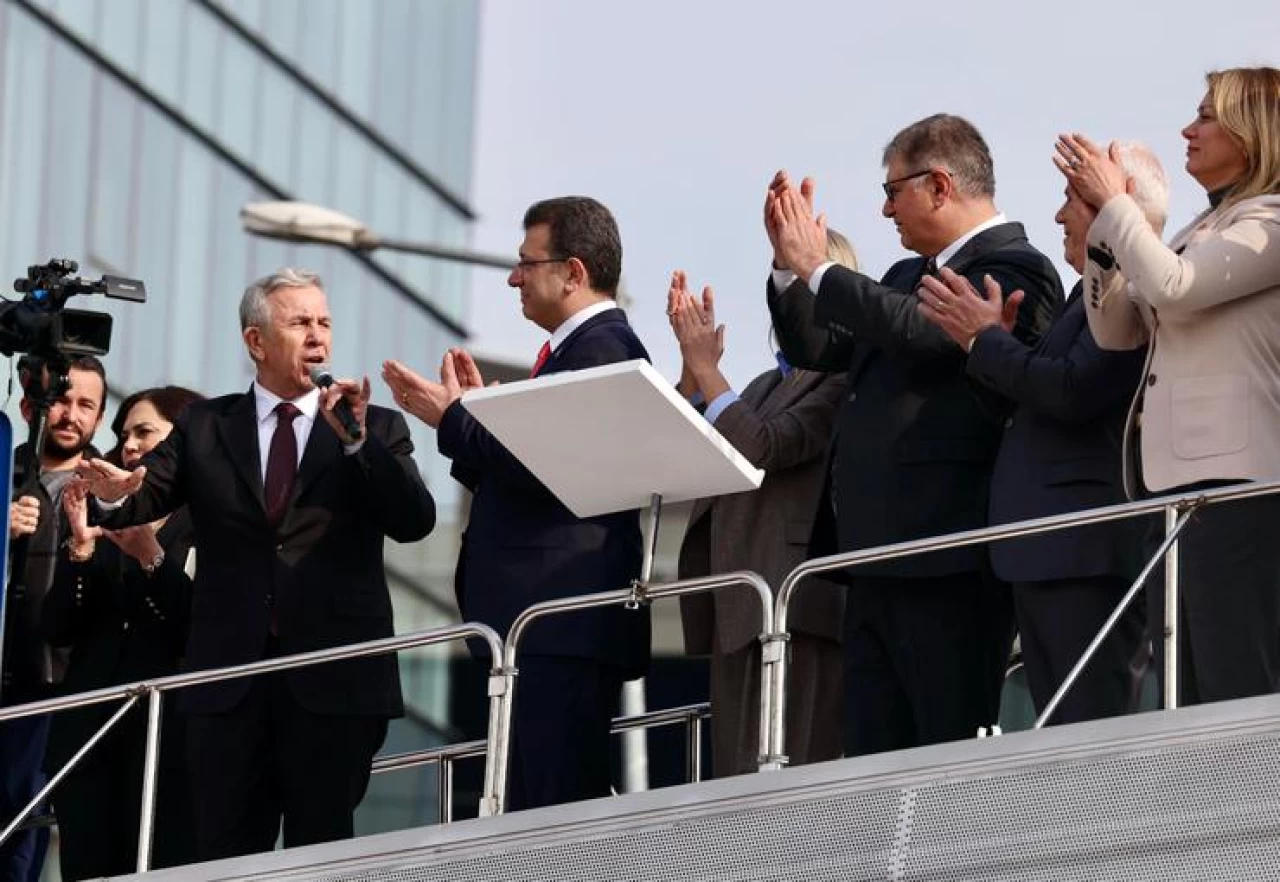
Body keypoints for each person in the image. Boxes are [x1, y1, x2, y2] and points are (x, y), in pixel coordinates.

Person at [73, 269, 436, 860]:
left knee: (322, 855)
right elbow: (144, 495)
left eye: (324, 323)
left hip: (334, 682)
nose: (317, 336)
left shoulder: (375, 427)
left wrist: (356, 442)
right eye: (300, 323)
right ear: (256, 341)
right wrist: (112, 494)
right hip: (229, 686)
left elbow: (414, 519)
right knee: (226, 854)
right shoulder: (206, 426)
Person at [766, 114, 1062, 756]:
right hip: (874, 557)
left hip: (949, 555)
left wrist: (820, 269)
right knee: (873, 756)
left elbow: (927, 332)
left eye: (893, 191)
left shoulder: (1021, 267)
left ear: (939, 186)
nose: (885, 209)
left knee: (947, 751)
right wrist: (790, 270)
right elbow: (820, 346)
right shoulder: (904, 274)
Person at [383, 196, 650, 811]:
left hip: (560, 623)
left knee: (555, 814)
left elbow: (547, 466)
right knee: (528, 808)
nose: (513, 278)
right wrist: (478, 419)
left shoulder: (603, 349)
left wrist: (458, 418)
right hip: (542, 629)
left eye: (527, 263)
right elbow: (535, 473)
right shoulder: (575, 353)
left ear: (573, 272)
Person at [916, 143, 1169, 724]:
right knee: (1058, 738)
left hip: (1083, 550)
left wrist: (987, 341)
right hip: (1047, 550)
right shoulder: (1083, 297)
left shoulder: (1129, 285)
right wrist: (992, 347)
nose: (1059, 216)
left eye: (1072, 198)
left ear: (1114, 202)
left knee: (1092, 737)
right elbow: (1036, 400)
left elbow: (1073, 391)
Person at [1062, 66, 1280, 705]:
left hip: (1239, 486)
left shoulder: (1271, 222)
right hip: (1173, 486)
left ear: (1253, 130)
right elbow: (1118, 331)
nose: (1188, 129)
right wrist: (1106, 236)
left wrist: (1118, 206)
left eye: (1206, 116)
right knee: (1184, 689)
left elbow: (1173, 288)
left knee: (1236, 683)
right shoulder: (1197, 231)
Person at [672, 230, 854, 777]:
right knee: (736, 781)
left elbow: (765, 445)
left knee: (793, 783)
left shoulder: (842, 376)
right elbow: (688, 460)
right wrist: (691, 375)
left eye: (797, 282)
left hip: (796, 604)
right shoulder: (757, 386)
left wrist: (709, 372)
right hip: (738, 602)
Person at [42, 386, 204, 879]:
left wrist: (151, 557)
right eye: (124, 434)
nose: (129, 445)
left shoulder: (209, 519)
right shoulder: (104, 515)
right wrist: (80, 550)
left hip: (167, 738)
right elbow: (58, 628)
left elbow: (196, 627)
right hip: (90, 731)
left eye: (144, 432)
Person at [1, 356, 106, 882]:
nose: (72, 414)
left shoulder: (109, 489)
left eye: (86, 404)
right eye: (62, 400)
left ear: (100, 418)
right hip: (6, 668)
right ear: (29, 407)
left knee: (23, 833)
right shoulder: (3, 470)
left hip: (58, 686)